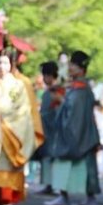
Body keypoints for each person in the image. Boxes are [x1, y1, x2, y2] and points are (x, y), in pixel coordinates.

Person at [0, 50, 39, 205]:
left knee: (8, 163)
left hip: (11, 128)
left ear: (11, 65)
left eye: (5, 63)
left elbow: (23, 108)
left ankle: (7, 197)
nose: (1, 66)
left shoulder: (18, 84)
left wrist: (4, 116)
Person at [44, 51, 100, 205]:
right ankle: (67, 195)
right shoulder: (77, 86)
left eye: (73, 65)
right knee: (78, 166)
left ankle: (84, 197)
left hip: (80, 133)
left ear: (81, 69)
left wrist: (60, 99)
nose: (69, 67)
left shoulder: (81, 88)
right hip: (84, 133)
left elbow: (72, 109)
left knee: (85, 167)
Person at [35, 61, 65, 194]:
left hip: (54, 128)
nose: (44, 79)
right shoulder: (51, 91)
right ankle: (48, 184)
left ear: (50, 75)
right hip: (46, 128)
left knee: (51, 157)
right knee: (46, 157)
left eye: (45, 75)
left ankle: (52, 184)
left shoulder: (58, 91)